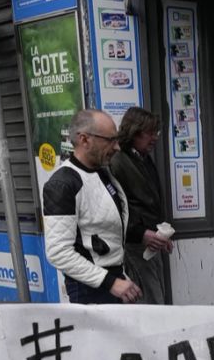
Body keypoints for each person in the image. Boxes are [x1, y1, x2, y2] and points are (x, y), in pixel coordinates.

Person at [43, 109, 142, 304]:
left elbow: (108, 225)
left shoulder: (103, 173)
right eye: (110, 140)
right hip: (90, 290)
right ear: (84, 140)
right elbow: (58, 252)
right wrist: (110, 282)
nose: (117, 147)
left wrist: (141, 235)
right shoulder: (62, 184)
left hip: (114, 279)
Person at [112, 107, 173, 304]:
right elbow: (117, 208)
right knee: (150, 301)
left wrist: (162, 234)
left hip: (149, 242)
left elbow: (150, 203)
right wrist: (139, 233)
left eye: (157, 132)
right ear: (134, 131)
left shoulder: (143, 158)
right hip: (134, 245)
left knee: (156, 296)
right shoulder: (118, 161)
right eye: (150, 132)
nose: (155, 138)